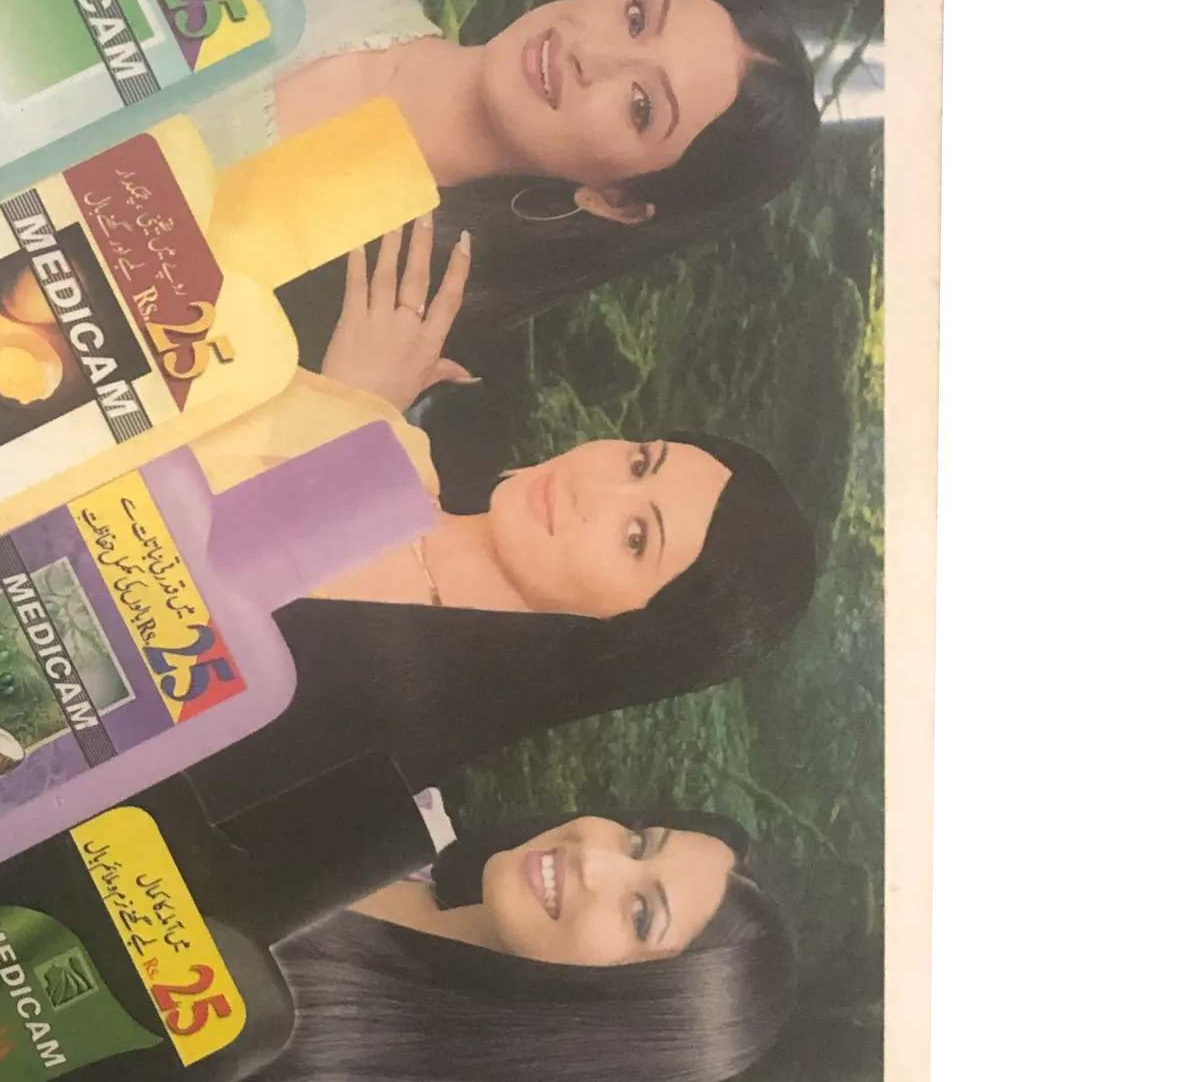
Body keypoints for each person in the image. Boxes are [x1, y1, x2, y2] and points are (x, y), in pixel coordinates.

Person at [183, 250, 818, 817]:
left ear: (628, 636)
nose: (592, 490)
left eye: (635, 538)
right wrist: (339, 410)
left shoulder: (393, 746)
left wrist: (334, 427)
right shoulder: (380, 438)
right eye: (637, 463)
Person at [70, 808, 799, 1082]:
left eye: (640, 914)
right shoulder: (382, 836)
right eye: (639, 842)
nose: (594, 858)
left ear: (625, 1023)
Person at [188, 0, 818, 373]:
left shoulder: (374, 315)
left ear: (616, 200)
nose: (590, 54)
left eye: (641, 106)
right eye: (635, 18)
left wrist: (350, 411)